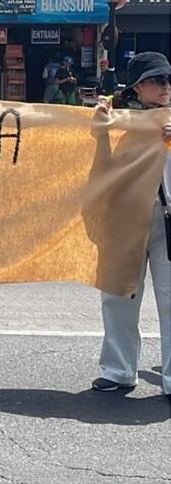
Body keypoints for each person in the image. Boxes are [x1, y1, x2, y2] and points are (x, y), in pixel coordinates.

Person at [92, 52, 171, 398]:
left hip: (167, 218)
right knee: (118, 295)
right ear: (138, 87)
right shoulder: (119, 121)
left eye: (168, 79)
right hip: (126, 218)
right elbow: (102, 169)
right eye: (157, 80)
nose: (166, 86)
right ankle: (119, 369)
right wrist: (100, 131)